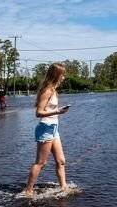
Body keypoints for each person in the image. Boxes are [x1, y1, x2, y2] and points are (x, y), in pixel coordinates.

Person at [24, 63, 70, 197]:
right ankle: (28, 191)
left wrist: (58, 111)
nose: (64, 77)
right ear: (56, 75)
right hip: (45, 128)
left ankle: (64, 187)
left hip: (54, 129)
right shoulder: (47, 90)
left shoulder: (54, 90)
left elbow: (48, 109)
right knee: (41, 162)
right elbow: (38, 112)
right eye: (62, 75)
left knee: (61, 161)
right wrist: (58, 111)